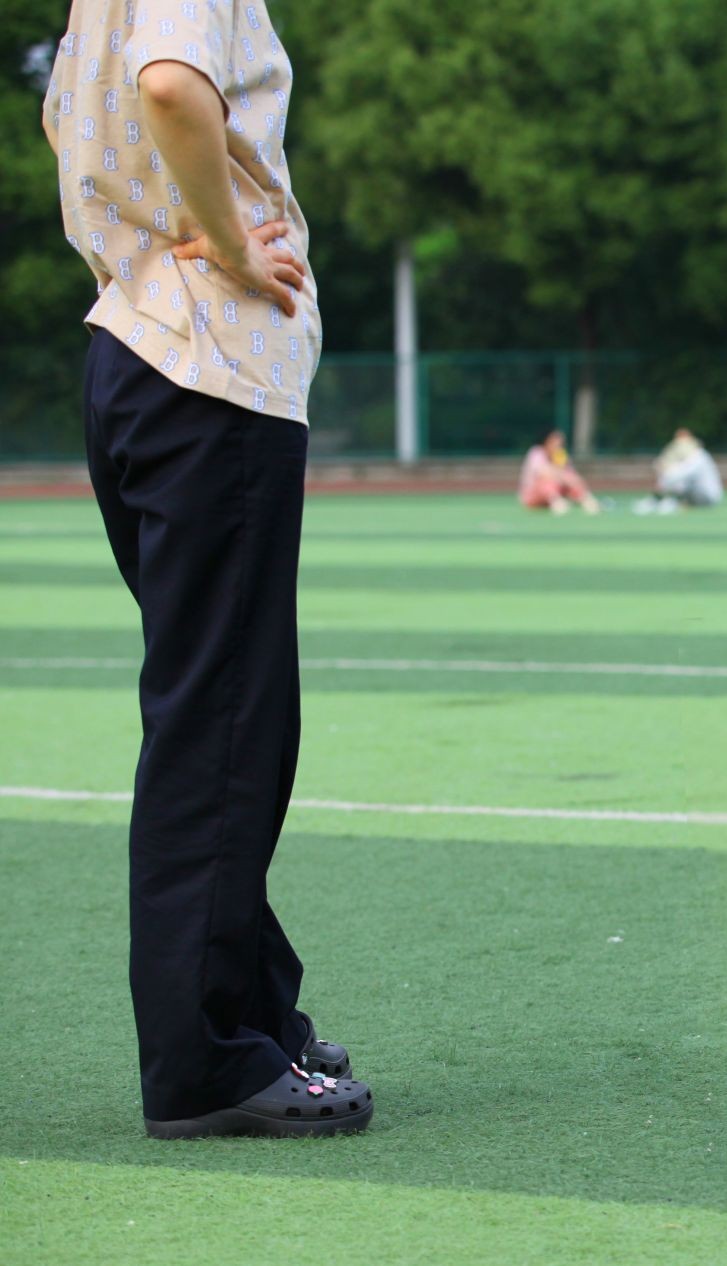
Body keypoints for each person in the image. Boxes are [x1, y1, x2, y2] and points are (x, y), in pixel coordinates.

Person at [45, 0, 373, 1136]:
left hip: (135, 354)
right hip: (208, 370)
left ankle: (249, 1007)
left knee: (219, 712)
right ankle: (207, 1061)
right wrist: (234, 240)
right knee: (225, 721)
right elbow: (175, 87)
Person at [636, 427, 723, 513]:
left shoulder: (698, 456)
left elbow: (680, 474)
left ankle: (664, 501)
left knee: (677, 481)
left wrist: (663, 480)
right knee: (675, 480)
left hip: (707, 496)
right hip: (698, 494)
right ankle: (661, 500)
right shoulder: (690, 455)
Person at [519, 428, 601, 514]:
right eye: (555, 442)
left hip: (555, 491)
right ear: (547, 441)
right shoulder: (536, 452)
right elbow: (544, 474)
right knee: (547, 482)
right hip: (532, 496)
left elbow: (572, 477)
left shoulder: (560, 455)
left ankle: (586, 499)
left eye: (561, 443)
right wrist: (563, 476)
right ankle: (557, 502)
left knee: (570, 480)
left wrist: (572, 481)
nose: (559, 445)